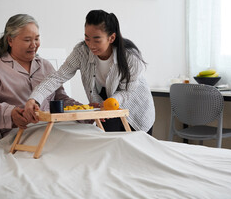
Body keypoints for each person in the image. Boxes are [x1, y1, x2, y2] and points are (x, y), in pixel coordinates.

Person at [24, 10, 155, 134]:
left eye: (97, 40)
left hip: (136, 105)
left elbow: (127, 91)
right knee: (108, 147)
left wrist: (111, 101)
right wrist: (34, 99)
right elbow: (58, 77)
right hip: (106, 104)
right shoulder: (81, 52)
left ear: (111, 38)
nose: (91, 45)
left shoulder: (130, 57)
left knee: (137, 152)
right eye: (87, 38)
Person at [0, 14, 79, 136]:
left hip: (57, 128)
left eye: (37, 39)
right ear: (10, 40)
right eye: (27, 40)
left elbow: (61, 99)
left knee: (96, 136)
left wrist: (85, 111)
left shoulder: (46, 65)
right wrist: (10, 113)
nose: (34, 45)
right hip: (21, 133)